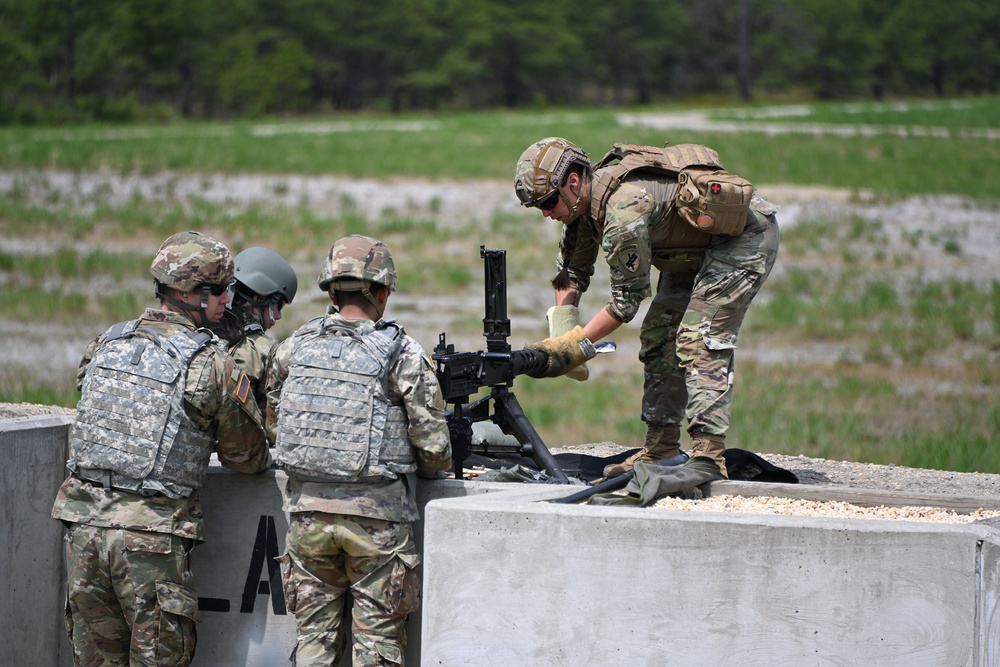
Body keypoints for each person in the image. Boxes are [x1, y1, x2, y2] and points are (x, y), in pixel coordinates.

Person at [52, 230, 272, 666]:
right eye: (222, 290)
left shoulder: (108, 342)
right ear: (194, 293)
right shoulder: (211, 362)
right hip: (151, 544)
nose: (228, 300)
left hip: (84, 536)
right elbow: (246, 457)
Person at [514, 137, 780, 480]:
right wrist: (561, 333)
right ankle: (662, 449)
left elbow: (626, 301)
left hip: (745, 238)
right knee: (659, 335)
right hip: (692, 249)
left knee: (697, 337)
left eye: (549, 202)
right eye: (540, 208)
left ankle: (708, 457)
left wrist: (573, 349)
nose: (548, 214)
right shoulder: (581, 207)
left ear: (574, 182)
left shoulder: (622, 212)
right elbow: (571, 274)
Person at [265, 234, 452, 666]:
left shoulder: (295, 346)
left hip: (307, 519)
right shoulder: (401, 352)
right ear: (383, 292)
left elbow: (276, 419)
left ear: (331, 291)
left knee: (313, 641)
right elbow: (434, 447)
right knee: (377, 646)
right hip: (379, 526)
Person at [208, 245, 298, 429]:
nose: (279, 316)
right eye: (278, 305)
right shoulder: (267, 351)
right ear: (259, 298)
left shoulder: (199, 333)